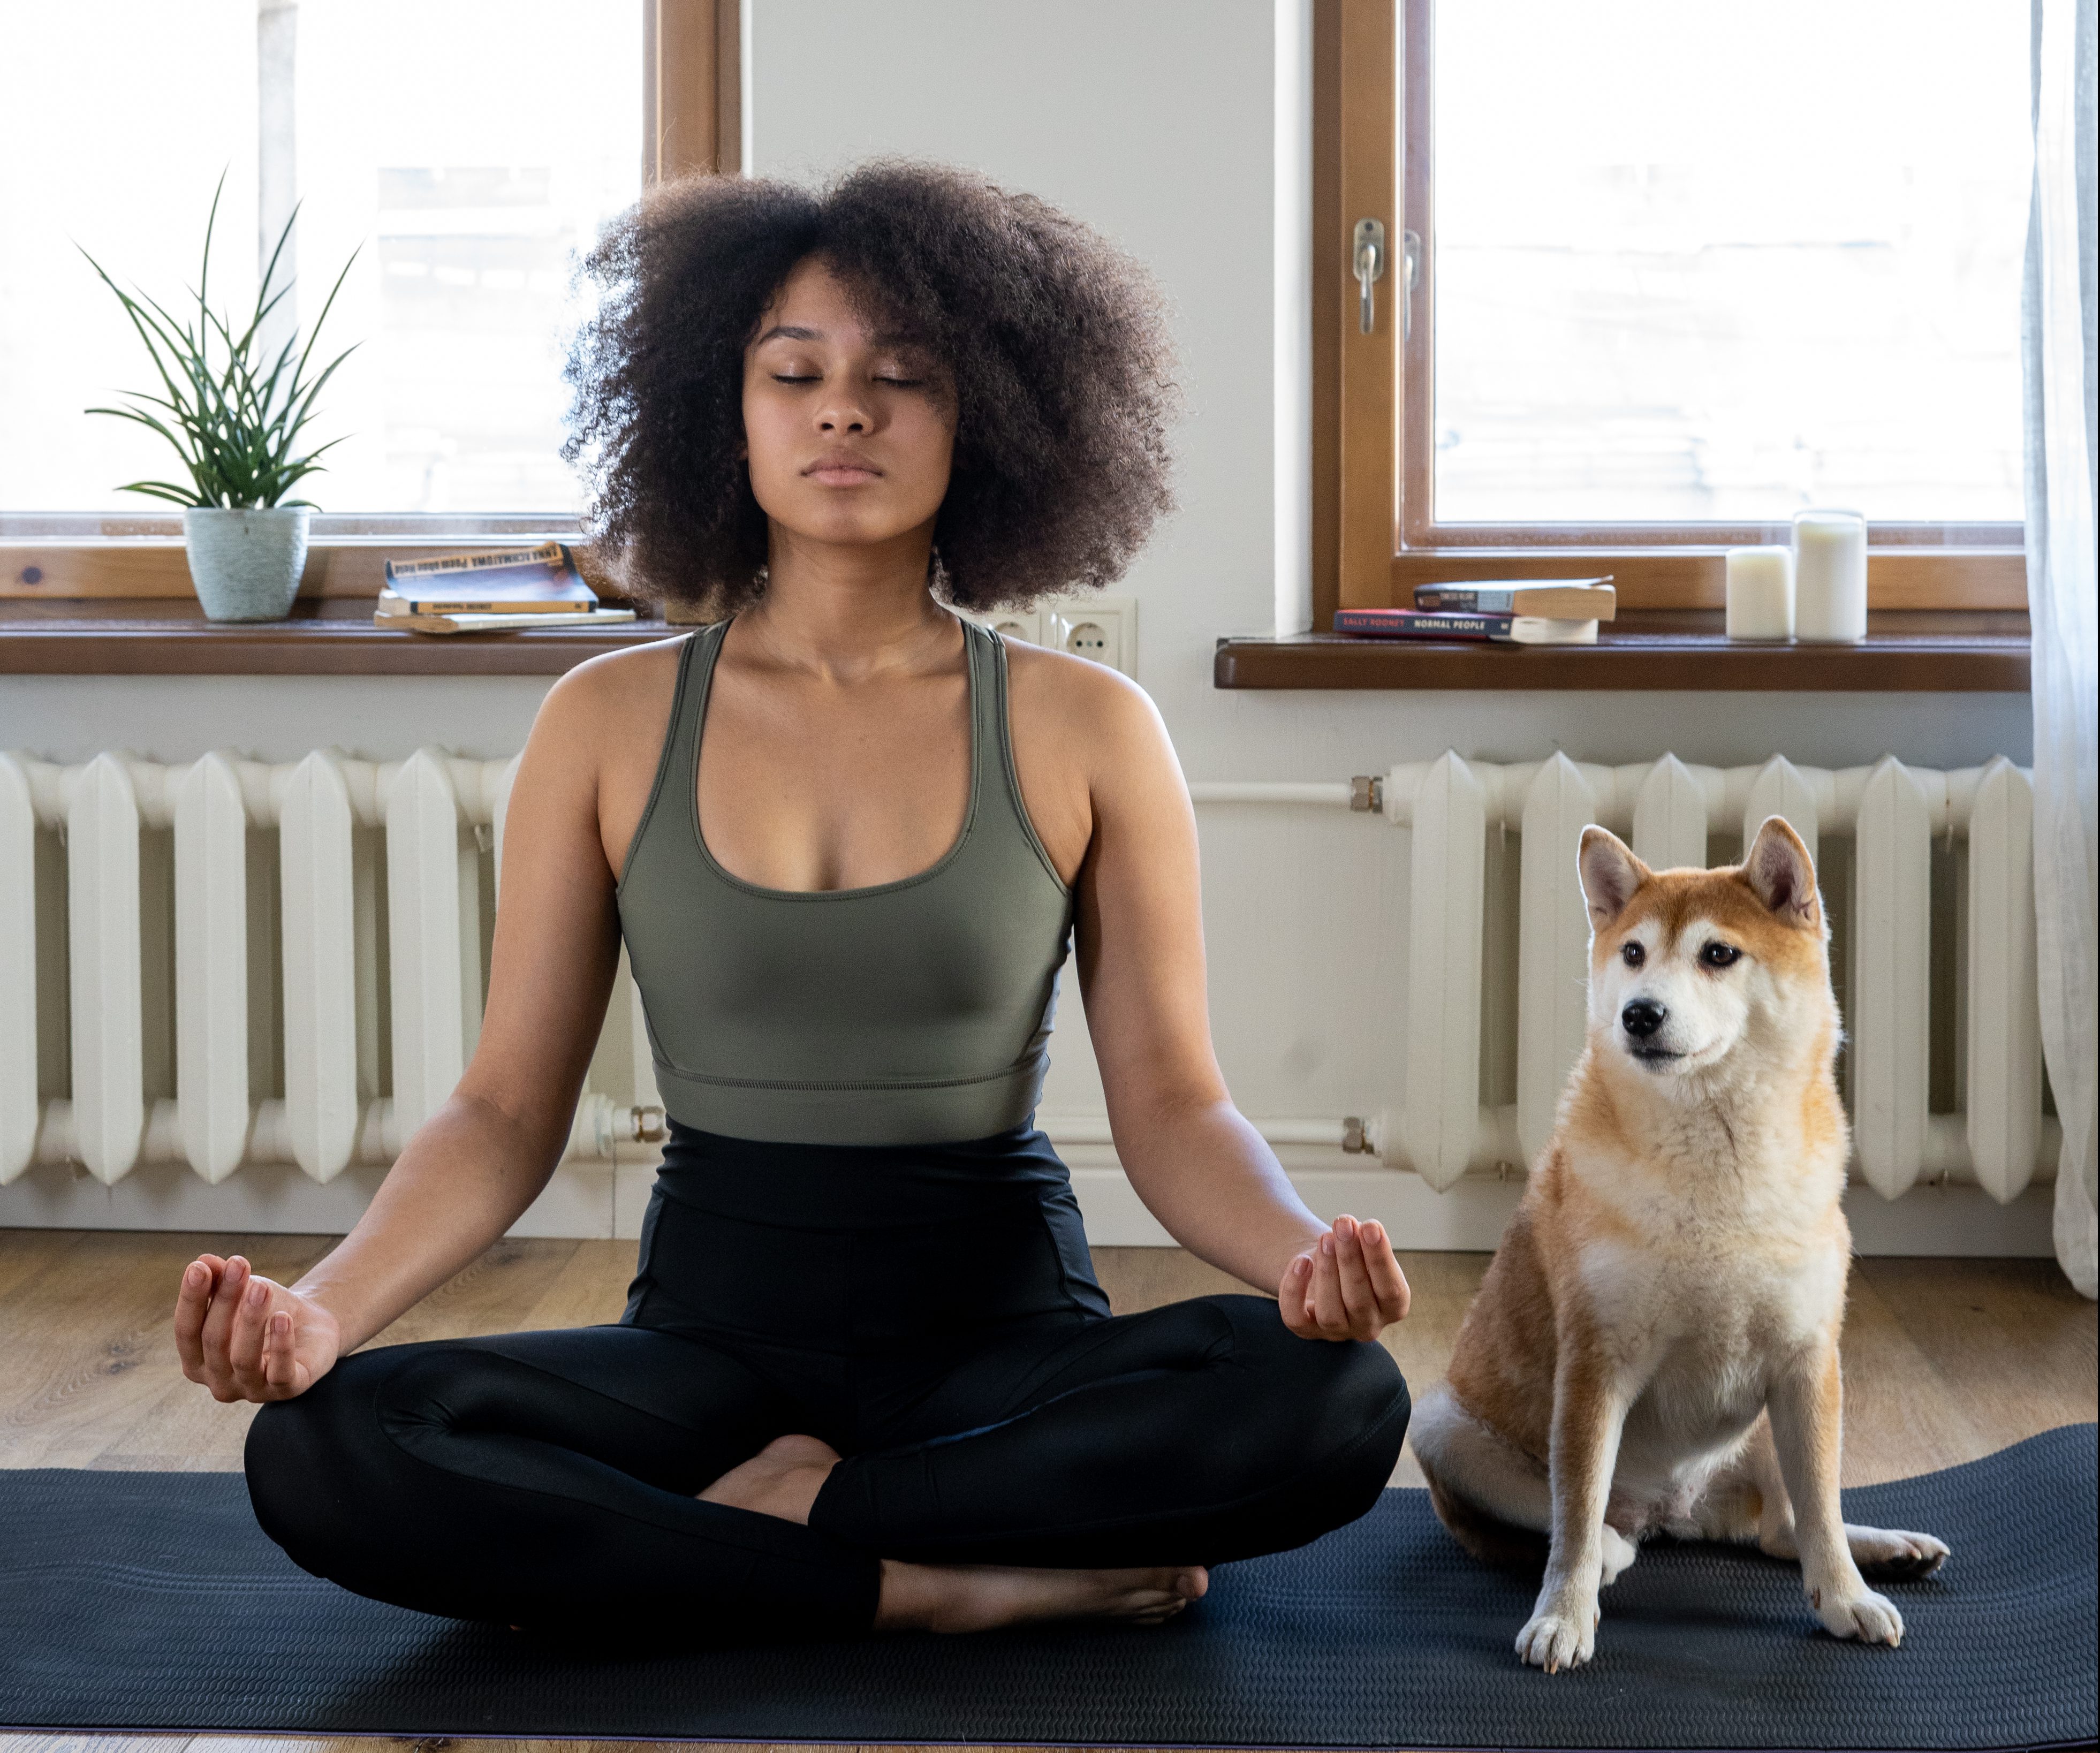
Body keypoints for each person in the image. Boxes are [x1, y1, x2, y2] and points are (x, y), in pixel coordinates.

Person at [175, 162, 1413, 1645]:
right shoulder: (605, 720)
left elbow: (1172, 1106)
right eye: (795, 374)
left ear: (993, 420)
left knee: (1339, 1399)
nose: (845, 411)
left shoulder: (1088, 726)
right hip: (708, 1339)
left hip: (998, 1337)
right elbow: (505, 1111)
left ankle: (779, 1528)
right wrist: (320, 1311)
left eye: (902, 378)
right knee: (327, 1443)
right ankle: (922, 1577)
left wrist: (1295, 1262)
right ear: (724, 411)